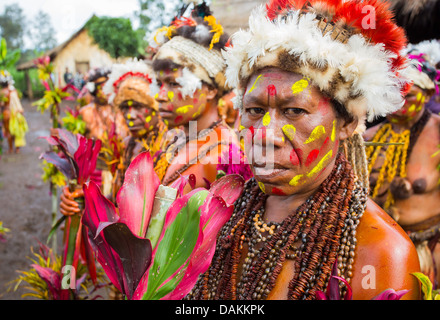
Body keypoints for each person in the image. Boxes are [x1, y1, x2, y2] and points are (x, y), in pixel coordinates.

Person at [186, 0, 420, 300]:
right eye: (255, 110)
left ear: (347, 122)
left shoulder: (381, 253)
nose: (266, 136)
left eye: (294, 110)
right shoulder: (216, 218)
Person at [364, 42, 440, 286]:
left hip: (431, 249)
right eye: (391, 94)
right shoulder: (365, 138)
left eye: (408, 95)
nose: (399, 102)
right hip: (379, 250)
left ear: (428, 94)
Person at [150, 2, 248, 191]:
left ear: (210, 89)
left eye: (174, 83)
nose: (160, 96)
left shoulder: (225, 155)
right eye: (159, 84)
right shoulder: (175, 139)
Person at [0, 70, 28, 154]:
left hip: (5, 113)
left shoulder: (1, 92)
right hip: (14, 112)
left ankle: (11, 149)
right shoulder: (13, 91)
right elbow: (17, 103)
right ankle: (17, 148)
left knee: (8, 132)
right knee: (16, 130)